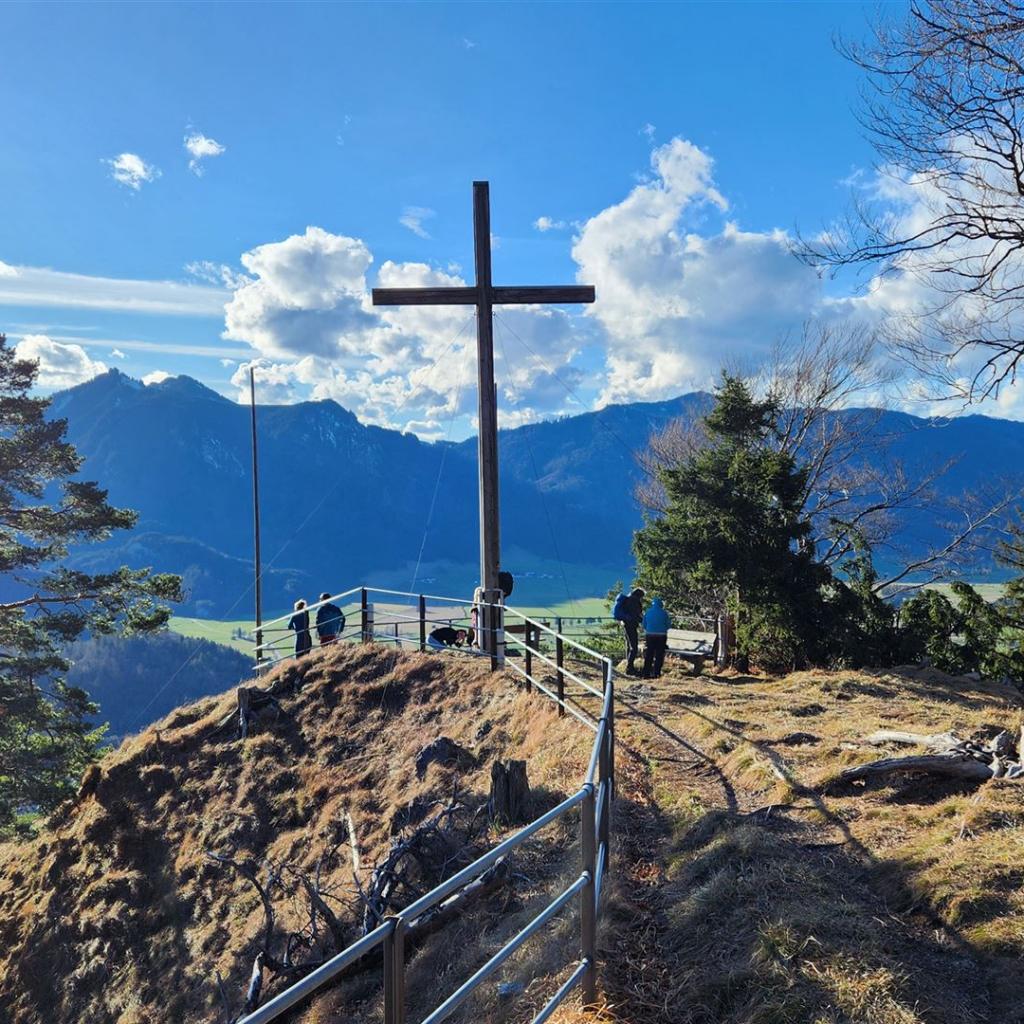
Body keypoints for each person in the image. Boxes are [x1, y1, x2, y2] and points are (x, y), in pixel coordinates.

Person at [613, 587, 646, 675]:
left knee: (629, 646)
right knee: (634, 647)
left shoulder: (627, 600)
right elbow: (636, 615)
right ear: (639, 595)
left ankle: (628, 665)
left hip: (625, 624)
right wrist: (644, 621)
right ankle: (630, 668)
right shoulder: (634, 601)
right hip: (631, 625)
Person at [642, 597, 671, 679]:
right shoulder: (664, 613)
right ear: (661, 604)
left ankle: (646, 673)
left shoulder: (648, 612)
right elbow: (668, 625)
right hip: (661, 636)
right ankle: (656, 673)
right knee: (659, 654)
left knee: (649, 654)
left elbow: (644, 624)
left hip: (650, 635)